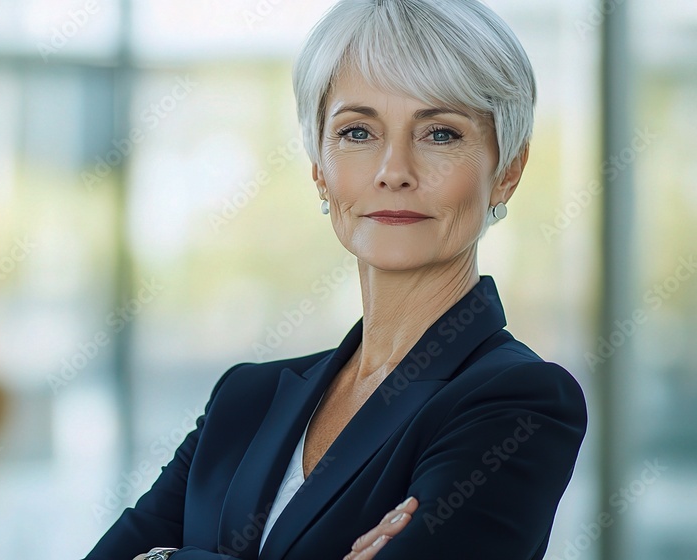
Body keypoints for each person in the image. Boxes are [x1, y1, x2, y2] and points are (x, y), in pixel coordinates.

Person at [85, 0, 588, 558]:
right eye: (357, 132)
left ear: (507, 172)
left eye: (440, 134)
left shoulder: (518, 403)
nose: (393, 171)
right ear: (320, 170)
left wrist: (166, 556)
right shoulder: (243, 402)